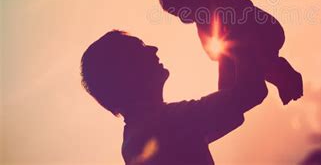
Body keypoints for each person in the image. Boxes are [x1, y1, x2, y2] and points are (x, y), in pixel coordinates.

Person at [81, 30, 268, 165]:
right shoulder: (168, 122)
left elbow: (229, 101)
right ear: (127, 72)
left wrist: (225, 52)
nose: (153, 48)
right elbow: (250, 93)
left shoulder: (137, 137)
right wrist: (241, 38)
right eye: (140, 47)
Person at [158, 0, 303, 104]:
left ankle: (282, 74)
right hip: (249, 43)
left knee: (242, 65)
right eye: (178, 15)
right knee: (241, 67)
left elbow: (243, 21)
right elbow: (212, 50)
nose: (183, 18)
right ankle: (280, 77)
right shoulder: (201, 18)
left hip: (266, 32)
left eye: (181, 11)